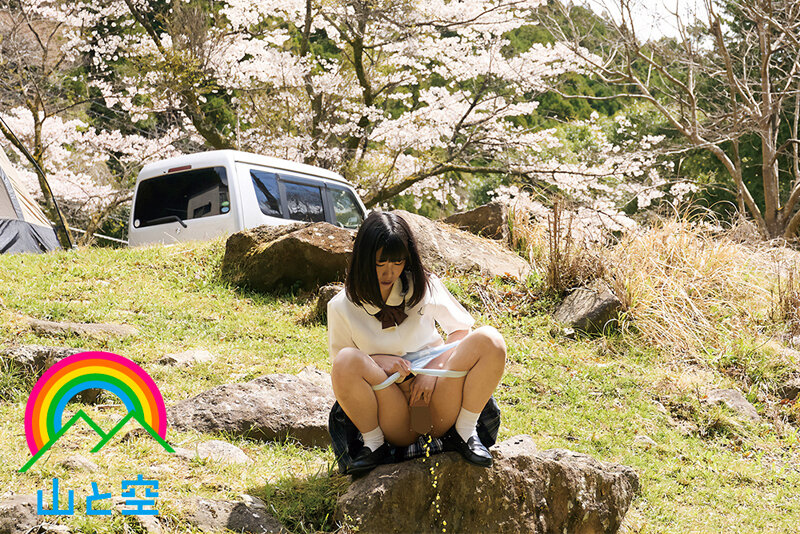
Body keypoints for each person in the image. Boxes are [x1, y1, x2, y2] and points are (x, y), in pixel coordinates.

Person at [328, 211, 506, 475]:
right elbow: (342, 371)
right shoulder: (341, 306)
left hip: (438, 397)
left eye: (398, 262)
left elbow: (460, 331)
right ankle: (374, 444)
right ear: (364, 259)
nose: (389, 272)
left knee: (490, 339)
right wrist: (379, 362)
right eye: (380, 263)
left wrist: (432, 371)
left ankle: (465, 431)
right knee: (346, 360)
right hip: (391, 407)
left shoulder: (424, 285)